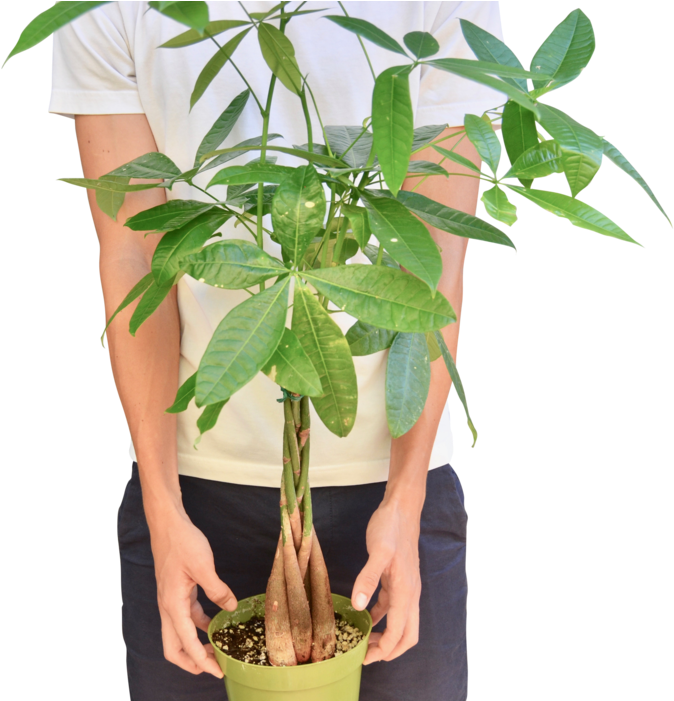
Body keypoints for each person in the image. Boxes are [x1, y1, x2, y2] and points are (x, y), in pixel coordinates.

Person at [50, 2, 503, 699]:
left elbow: (432, 261)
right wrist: (163, 509)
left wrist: (405, 495)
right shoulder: (108, 8)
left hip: (392, 493)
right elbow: (139, 253)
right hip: (189, 491)